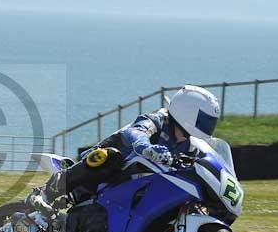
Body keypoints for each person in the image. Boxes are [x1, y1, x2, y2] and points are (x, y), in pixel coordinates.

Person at [28, 85, 221, 211]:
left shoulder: (190, 146)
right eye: (204, 120)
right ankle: (47, 191)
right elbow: (136, 131)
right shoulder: (159, 119)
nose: (207, 126)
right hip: (107, 170)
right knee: (110, 156)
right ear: (187, 111)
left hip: (133, 189)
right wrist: (146, 147)